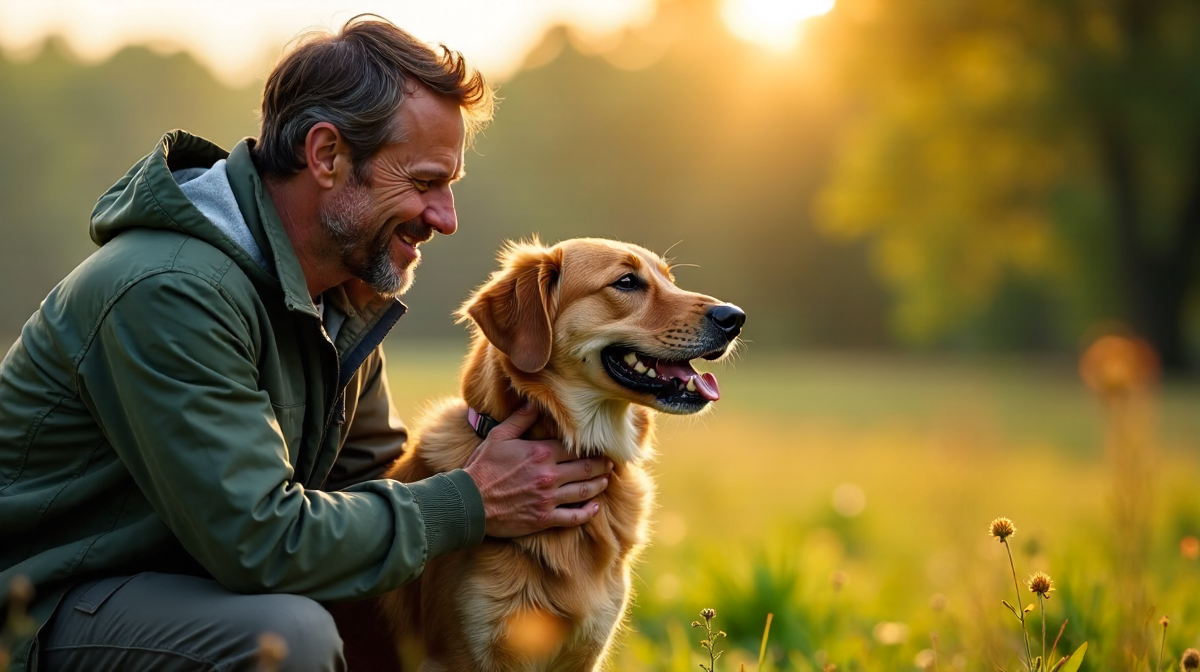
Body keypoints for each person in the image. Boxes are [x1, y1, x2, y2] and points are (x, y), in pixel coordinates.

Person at [0, 17, 612, 672]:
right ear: (326, 156)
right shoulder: (172, 290)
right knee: (285, 639)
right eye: (426, 183)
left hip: (174, 590)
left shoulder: (336, 295)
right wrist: (471, 498)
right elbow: (261, 544)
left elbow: (369, 486)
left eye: (451, 187)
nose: (446, 219)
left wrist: (512, 464)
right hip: (35, 610)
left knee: (376, 602)